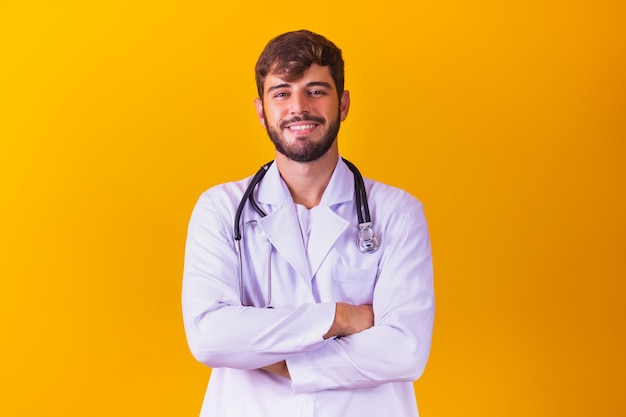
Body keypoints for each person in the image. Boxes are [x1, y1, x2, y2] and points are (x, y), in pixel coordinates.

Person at [182, 29, 435, 417]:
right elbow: (210, 336)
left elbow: (405, 350)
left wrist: (280, 360)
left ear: (344, 104)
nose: (298, 107)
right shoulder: (219, 209)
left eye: (316, 91)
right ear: (261, 110)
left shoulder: (398, 212)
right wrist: (340, 317)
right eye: (282, 93)